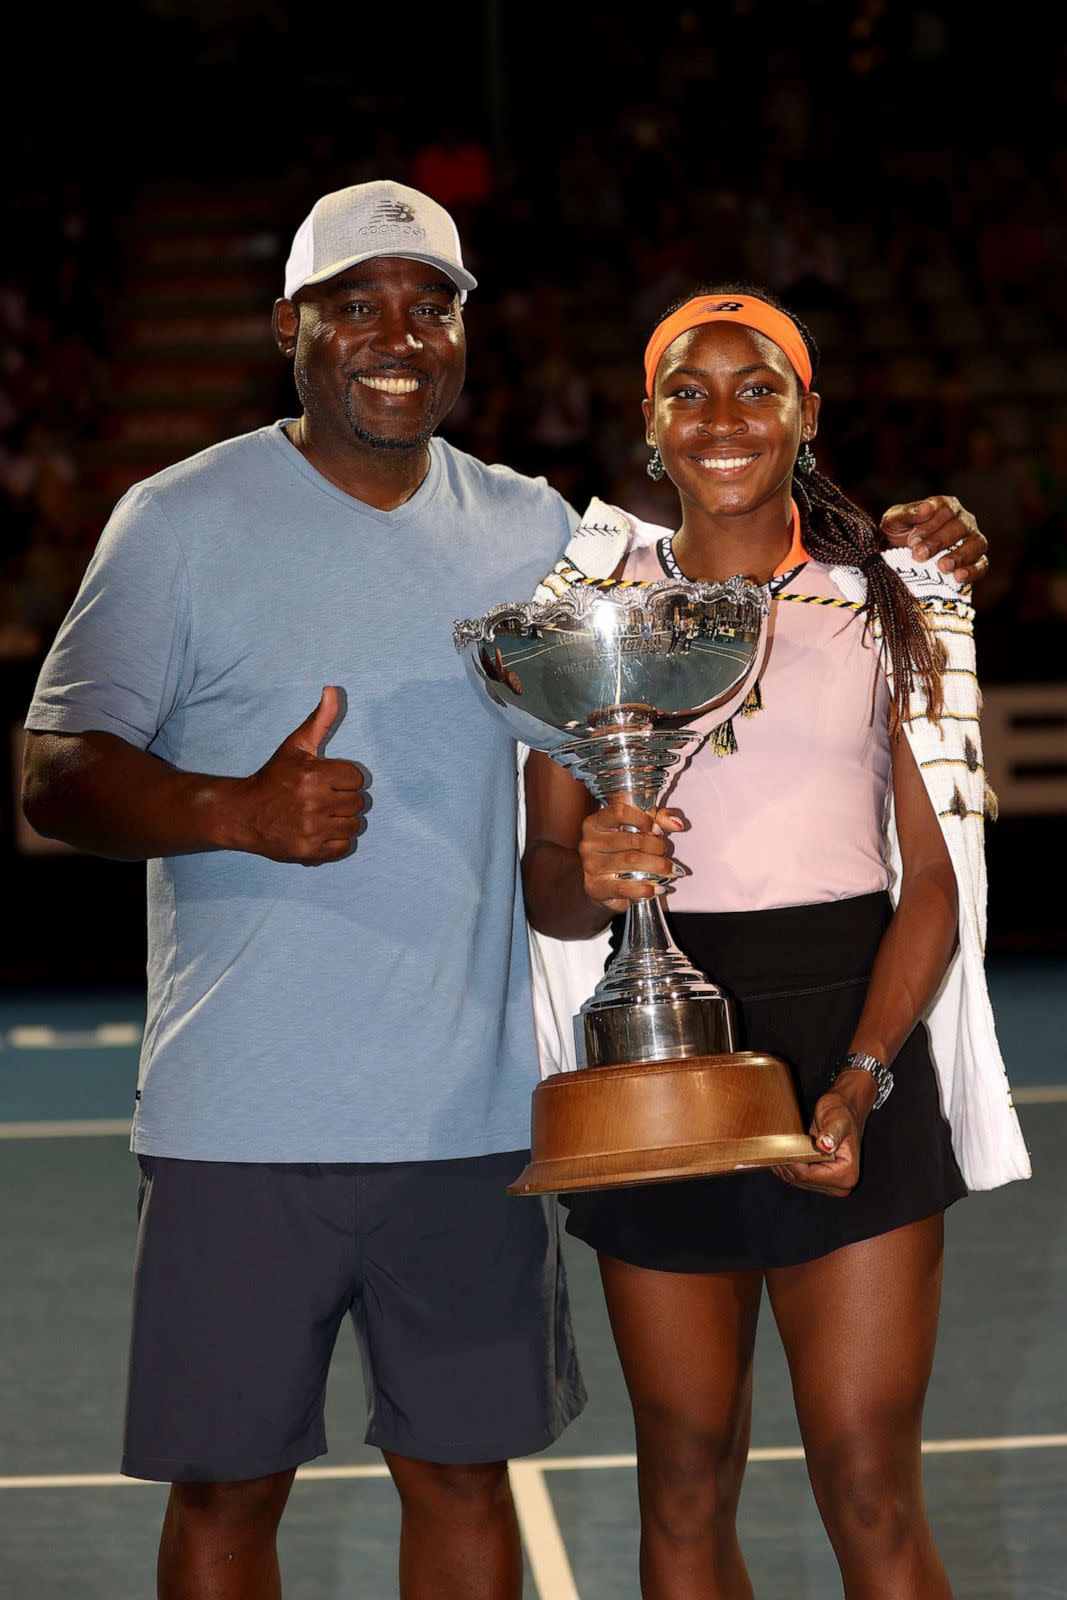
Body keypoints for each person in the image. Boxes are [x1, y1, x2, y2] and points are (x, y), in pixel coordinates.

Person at [20, 179, 990, 1600]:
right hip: (242, 1114)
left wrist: (924, 541)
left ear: (470, 329)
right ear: (289, 324)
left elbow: (665, 675)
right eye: (356, 304)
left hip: (478, 1122)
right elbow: (52, 774)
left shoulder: (539, 536)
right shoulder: (176, 519)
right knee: (229, 1491)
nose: (395, 334)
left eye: (431, 305)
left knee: (467, 1480)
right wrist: (229, 808)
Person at [521, 286, 1029, 1599]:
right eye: (689, 388)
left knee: (868, 1483)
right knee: (684, 1483)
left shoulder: (887, 602)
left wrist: (860, 1077)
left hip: (851, 1035)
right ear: (648, 424)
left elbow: (930, 887)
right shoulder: (583, 602)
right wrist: (590, 869)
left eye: (760, 385)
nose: (724, 415)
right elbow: (550, 891)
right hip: (659, 1054)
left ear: (808, 413)